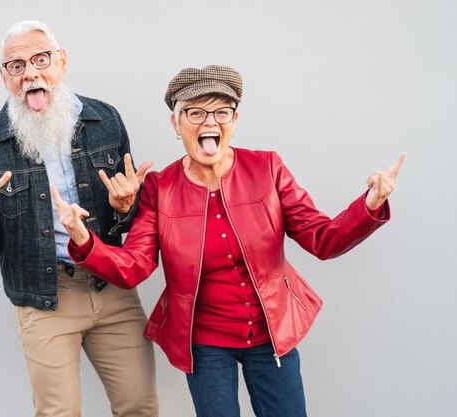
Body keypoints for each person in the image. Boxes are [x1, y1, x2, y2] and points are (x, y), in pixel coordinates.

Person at [52, 65, 405, 417]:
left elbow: (322, 239)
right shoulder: (161, 187)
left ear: (234, 121)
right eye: (196, 112)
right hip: (205, 344)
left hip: (271, 334)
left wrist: (370, 204)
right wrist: (84, 240)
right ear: (176, 125)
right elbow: (135, 266)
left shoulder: (267, 167)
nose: (210, 122)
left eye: (222, 112)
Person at [0, 20, 158, 417]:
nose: (31, 73)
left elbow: (137, 224)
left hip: (112, 285)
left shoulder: (106, 120)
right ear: (4, 78)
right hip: (45, 297)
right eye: (16, 65)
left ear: (62, 61)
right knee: (58, 413)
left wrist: (128, 208)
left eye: (41, 59)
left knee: (141, 406)